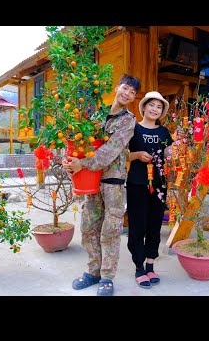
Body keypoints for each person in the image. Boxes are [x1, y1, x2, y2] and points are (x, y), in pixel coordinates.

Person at [62, 74, 141, 296]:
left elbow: (109, 152)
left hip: (113, 182)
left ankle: (107, 277)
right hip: (91, 181)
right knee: (88, 228)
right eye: (125, 88)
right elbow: (80, 142)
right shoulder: (96, 116)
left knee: (110, 231)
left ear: (134, 98)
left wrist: (82, 163)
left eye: (132, 92)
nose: (127, 94)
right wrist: (69, 160)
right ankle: (93, 272)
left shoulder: (128, 120)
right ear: (117, 87)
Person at [126, 91, 173, 289]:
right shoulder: (133, 129)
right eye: (151, 105)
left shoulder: (164, 132)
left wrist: (175, 150)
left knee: (155, 224)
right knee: (137, 225)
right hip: (137, 183)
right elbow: (124, 155)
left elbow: (170, 152)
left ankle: (150, 264)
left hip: (159, 184)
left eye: (159, 106)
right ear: (143, 107)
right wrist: (136, 155)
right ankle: (138, 267)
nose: (155, 109)